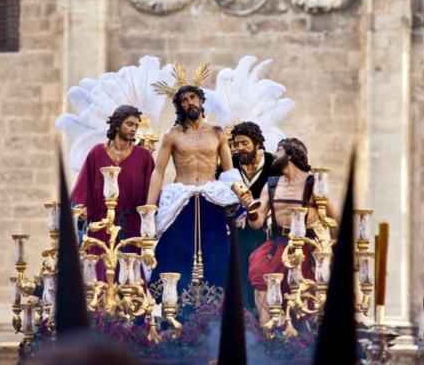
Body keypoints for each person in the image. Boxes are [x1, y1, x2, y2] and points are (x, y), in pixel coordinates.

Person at [147, 85, 241, 292]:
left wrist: (242, 196)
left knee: (214, 250)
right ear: (179, 106)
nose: (190, 102)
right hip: (181, 198)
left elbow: (228, 172)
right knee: (177, 251)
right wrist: (149, 209)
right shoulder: (172, 135)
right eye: (184, 100)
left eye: (193, 97)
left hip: (211, 197)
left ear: (200, 100)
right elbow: (158, 172)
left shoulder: (217, 133)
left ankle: (215, 311)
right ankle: (176, 309)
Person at [238, 138, 340, 326]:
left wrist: (333, 253)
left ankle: (302, 337)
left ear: (291, 154)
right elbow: (257, 222)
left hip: (305, 246)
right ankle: (265, 331)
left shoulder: (313, 183)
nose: (274, 155)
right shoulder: (272, 184)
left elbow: (335, 219)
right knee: (260, 271)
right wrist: (250, 209)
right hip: (277, 244)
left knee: (306, 293)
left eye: (278, 150)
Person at [71, 105, 155, 281]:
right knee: (100, 278)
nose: (133, 129)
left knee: (130, 281)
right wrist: (82, 211)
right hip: (102, 226)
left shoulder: (143, 156)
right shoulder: (97, 153)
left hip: (131, 226)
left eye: (136, 126)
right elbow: (82, 188)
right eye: (129, 124)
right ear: (117, 125)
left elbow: (152, 193)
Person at [216, 121, 282, 312]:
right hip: (236, 231)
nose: (240, 148)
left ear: (257, 143)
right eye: (236, 144)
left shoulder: (272, 163)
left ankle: (263, 318)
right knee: (237, 272)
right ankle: (240, 317)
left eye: (244, 143)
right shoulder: (230, 165)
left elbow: (280, 192)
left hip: (265, 230)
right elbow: (218, 190)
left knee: (261, 273)